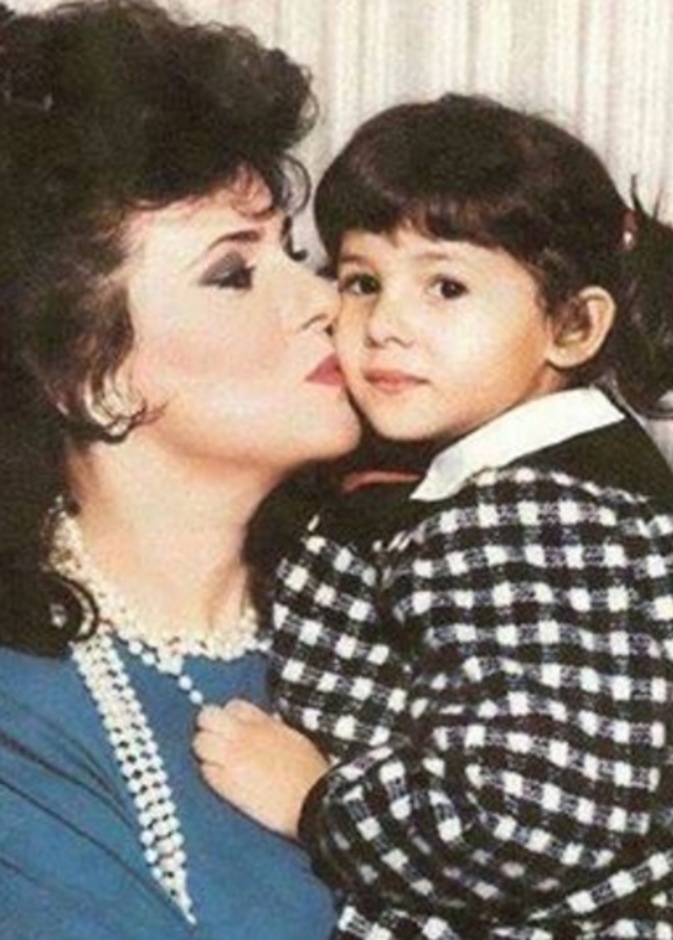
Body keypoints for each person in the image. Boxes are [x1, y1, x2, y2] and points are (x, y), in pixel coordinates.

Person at [193, 94, 673, 938]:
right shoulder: (474, 482)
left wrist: (315, 802)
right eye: (361, 281)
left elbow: (528, 813)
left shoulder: (541, 517)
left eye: (445, 286)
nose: (385, 325)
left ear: (572, 326)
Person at [0, 1, 363, 937]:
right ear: (90, 373)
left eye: (295, 253)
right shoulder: (21, 713)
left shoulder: (385, 602)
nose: (325, 299)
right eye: (234, 273)